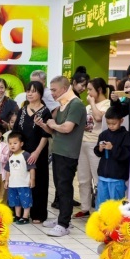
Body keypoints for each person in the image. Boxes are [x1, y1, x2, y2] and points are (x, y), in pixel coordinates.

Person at [35, 76, 86, 237]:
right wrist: (44, 125)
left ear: (64, 88)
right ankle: (62, 219)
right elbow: (54, 130)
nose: (52, 93)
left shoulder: (76, 104)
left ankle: (64, 223)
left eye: (54, 90)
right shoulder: (62, 105)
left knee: (64, 187)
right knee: (59, 187)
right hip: (58, 150)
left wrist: (53, 124)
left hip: (68, 153)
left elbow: (67, 128)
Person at [13, 81, 52, 225]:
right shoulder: (23, 110)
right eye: (28, 91)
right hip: (22, 152)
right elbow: (16, 131)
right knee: (21, 181)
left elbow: (46, 135)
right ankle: (21, 213)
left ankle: (38, 213)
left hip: (38, 153)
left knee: (39, 182)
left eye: (33, 91)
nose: (29, 94)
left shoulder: (45, 111)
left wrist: (36, 152)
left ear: (40, 94)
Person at [75, 77, 111, 219]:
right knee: (83, 178)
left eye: (90, 89)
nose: (88, 92)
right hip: (82, 143)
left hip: (96, 144)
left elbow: (98, 118)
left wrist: (92, 103)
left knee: (97, 178)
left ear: (99, 90)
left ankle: (100, 209)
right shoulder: (88, 106)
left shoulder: (107, 104)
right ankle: (84, 208)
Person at [94, 107, 130, 208]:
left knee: (116, 206)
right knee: (101, 205)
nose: (111, 126)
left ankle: (115, 219)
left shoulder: (125, 135)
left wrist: (113, 148)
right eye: (108, 123)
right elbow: (97, 152)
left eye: (114, 123)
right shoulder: (103, 134)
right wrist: (99, 149)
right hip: (103, 176)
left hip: (117, 178)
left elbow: (126, 154)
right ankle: (101, 218)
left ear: (121, 121)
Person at [5, 132, 36, 225]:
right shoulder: (10, 157)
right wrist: (6, 181)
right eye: (10, 143)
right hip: (13, 184)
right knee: (16, 201)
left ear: (21, 144)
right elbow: (8, 170)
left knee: (25, 200)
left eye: (15, 143)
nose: (12, 145)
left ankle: (25, 217)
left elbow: (32, 168)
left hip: (24, 183)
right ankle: (17, 216)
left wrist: (32, 179)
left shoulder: (25, 155)